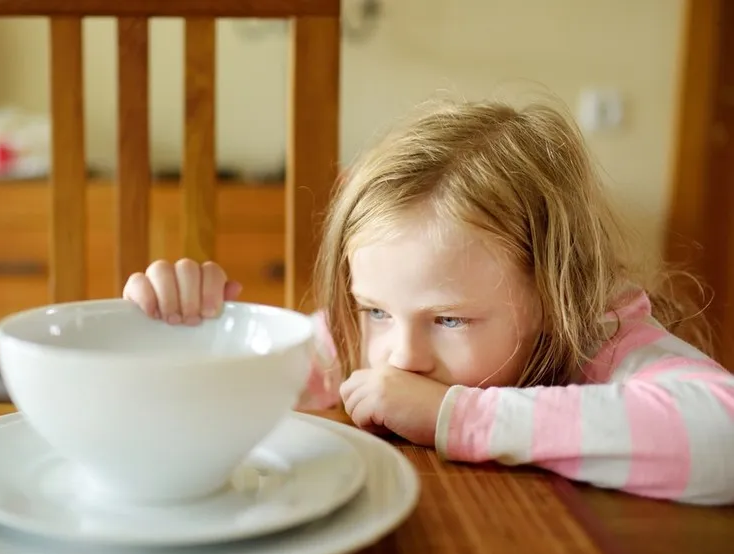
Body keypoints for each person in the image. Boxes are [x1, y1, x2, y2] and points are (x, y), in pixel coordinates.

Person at [122, 98, 734, 505]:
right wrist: (181, 336)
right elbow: (182, 408)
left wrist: (458, 416)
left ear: (552, 295)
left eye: (449, 319)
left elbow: (723, 436)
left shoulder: (597, 335)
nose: (400, 356)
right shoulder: (350, 342)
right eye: (376, 311)